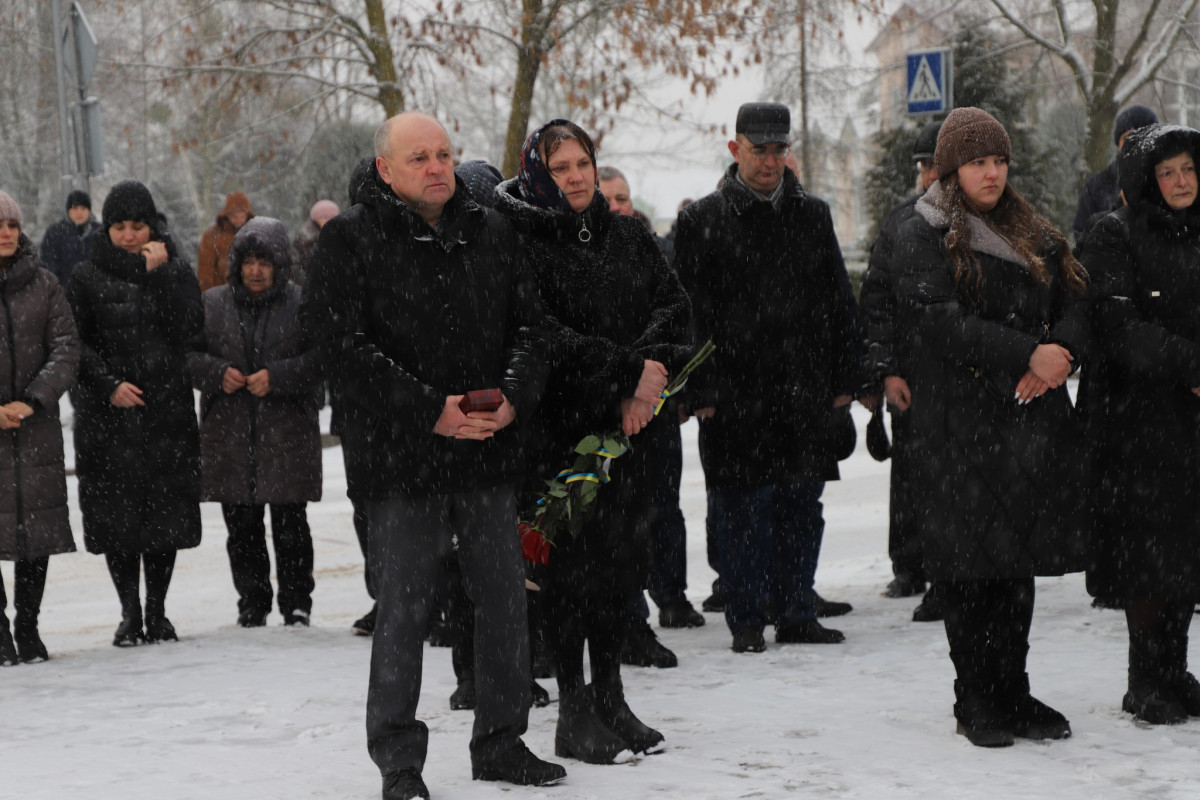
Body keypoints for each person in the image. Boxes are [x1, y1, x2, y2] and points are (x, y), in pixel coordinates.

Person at [301, 112, 563, 800]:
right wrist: (430, 411)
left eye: (445, 154)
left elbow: (534, 328)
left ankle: (502, 743)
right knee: (405, 614)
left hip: (486, 453)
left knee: (505, 602)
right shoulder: (350, 242)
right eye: (419, 157)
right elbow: (342, 350)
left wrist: (511, 399)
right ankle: (399, 761)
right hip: (399, 463)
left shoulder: (492, 232)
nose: (437, 167)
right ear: (386, 168)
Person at [494, 119, 692, 764]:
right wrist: (625, 372)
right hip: (558, 433)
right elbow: (542, 333)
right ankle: (574, 710)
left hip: (628, 430)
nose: (576, 177)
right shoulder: (520, 240)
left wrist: (646, 384)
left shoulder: (628, 234)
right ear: (536, 174)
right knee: (570, 577)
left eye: (583, 163)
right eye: (560, 168)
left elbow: (672, 308)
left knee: (617, 569)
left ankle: (612, 698)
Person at [893, 107, 1090, 747]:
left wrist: (1061, 351)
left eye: (999, 160)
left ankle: (1014, 690)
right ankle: (974, 696)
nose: (991, 172)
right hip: (957, 427)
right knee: (969, 570)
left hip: (1026, 425)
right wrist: (1023, 353)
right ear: (952, 168)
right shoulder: (922, 231)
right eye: (978, 161)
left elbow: (1079, 301)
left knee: (1014, 568)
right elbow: (936, 322)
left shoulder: (1032, 228)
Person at [674, 101, 861, 654]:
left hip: (804, 387)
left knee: (802, 504)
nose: (770, 160)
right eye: (759, 149)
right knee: (741, 508)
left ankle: (797, 610)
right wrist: (700, 390)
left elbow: (838, 302)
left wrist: (845, 379)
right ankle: (748, 618)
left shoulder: (813, 215)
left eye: (779, 149)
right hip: (733, 394)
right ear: (735, 149)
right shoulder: (701, 220)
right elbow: (688, 313)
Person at [1078, 123, 1200, 725]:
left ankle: (1176, 670)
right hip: (1136, 422)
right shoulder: (1112, 234)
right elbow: (1118, 327)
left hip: (1191, 422)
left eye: (1189, 169)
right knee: (1147, 555)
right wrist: (1192, 365)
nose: (1181, 182)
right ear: (1144, 181)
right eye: (1167, 172)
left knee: (1187, 552)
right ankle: (1144, 678)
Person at [67, 179, 204, 647]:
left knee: (164, 514)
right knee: (117, 517)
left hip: (166, 413)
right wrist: (109, 386)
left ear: (152, 226)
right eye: (120, 226)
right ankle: (129, 612)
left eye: (138, 225)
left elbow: (189, 328)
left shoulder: (176, 268)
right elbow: (75, 343)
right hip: (108, 417)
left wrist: (159, 275)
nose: (129, 235)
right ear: (108, 229)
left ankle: (158, 611)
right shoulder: (85, 275)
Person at [189, 217, 323, 628]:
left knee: (291, 526)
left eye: (265, 261)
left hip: (287, 434)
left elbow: (322, 359)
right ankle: (252, 601)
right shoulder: (211, 304)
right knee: (242, 527)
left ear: (280, 263)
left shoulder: (303, 303)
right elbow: (187, 357)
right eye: (248, 261)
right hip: (229, 436)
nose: (256, 270)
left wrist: (279, 377)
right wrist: (216, 372)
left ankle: (297, 602)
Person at [597, 164, 699, 672]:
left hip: (655, 408)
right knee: (613, 524)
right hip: (601, 409)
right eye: (609, 198)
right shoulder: (582, 256)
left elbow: (676, 318)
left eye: (624, 198)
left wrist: (661, 378)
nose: (619, 207)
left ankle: (666, 599)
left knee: (659, 511)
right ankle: (624, 621)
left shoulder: (651, 254)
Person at [859, 120, 944, 623]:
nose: (926, 173)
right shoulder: (899, 224)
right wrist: (884, 371)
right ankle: (909, 563)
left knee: (953, 480)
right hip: (911, 377)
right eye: (922, 165)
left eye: (933, 163)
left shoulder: (981, 221)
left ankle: (947, 569)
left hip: (960, 375)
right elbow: (877, 303)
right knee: (911, 473)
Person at [0, 191, 81, 666]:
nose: (5, 232)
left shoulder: (46, 284)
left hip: (35, 429)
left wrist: (32, 401)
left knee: (35, 533)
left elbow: (66, 347)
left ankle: (28, 627)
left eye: (11, 224)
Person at [1073, 105, 1159, 244]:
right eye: (1128, 137)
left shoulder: (1173, 179)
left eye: (1144, 135)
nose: (1136, 142)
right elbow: (1082, 237)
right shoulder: (1097, 186)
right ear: (1118, 143)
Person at [38, 189, 101, 286]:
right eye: (75, 208)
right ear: (68, 211)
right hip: (64, 293)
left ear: (89, 211)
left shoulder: (100, 232)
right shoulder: (55, 232)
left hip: (97, 291)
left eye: (83, 208)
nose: (79, 212)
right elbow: (48, 266)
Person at [198, 191, 255, 292]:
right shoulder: (212, 236)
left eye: (242, 216)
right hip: (223, 293)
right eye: (235, 217)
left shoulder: (254, 233)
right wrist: (209, 295)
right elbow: (205, 272)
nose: (239, 220)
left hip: (251, 293)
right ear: (227, 215)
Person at [292, 199, 339, 283]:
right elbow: (294, 267)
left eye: (332, 217)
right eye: (324, 217)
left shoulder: (343, 237)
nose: (328, 220)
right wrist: (310, 283)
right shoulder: (303, 240)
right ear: (315, 219)